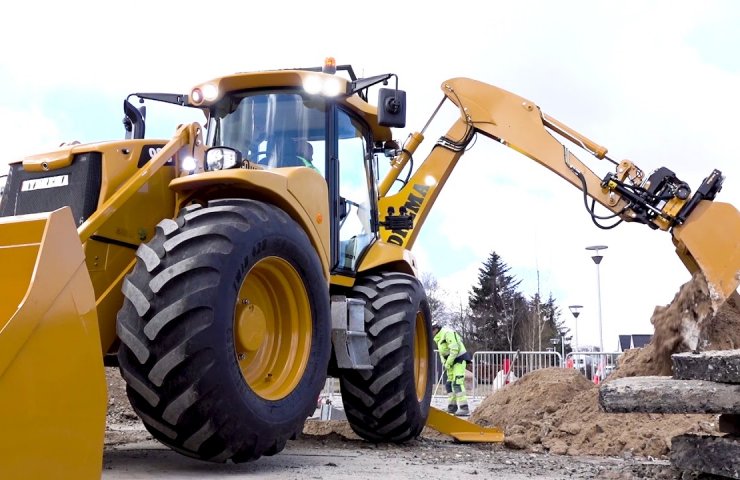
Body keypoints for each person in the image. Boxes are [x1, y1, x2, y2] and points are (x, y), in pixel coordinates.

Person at [432, 322, 471, 416]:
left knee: (457, 383)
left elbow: (455, 349)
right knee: (449, 384)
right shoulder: (437, 337)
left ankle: (464, 408)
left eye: (431, 329)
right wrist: (445, 363)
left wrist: (448, 362)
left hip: (459, 360)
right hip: (450, 362)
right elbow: (442, 353)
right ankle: (452, 407)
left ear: (436, 328)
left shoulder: (447, 333)